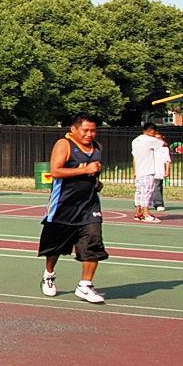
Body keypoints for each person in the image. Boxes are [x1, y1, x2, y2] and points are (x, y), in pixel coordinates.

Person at [40, 114, 108, 303]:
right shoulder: (64, 144)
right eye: (85, 130)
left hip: (89, 205)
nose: (89, 134)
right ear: (74, 129)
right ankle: (49, 275)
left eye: (93, 130)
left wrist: (96, 182)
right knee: (55, 247)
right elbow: (55, 171)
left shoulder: (97, 147)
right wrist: (84, 170)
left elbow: (93, 172)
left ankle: (85, 285)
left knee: (93, 242)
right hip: (63, 205)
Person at [130, 121, 167, 223]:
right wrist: (157, 137)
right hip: (147, 170)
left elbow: (134, 156)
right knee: (147, 191)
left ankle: (138, 212)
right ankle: (146, 213)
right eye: (154, 132)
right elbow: (164, 144)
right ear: (151, 131)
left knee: (139, 191)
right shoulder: (149, 139)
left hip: (139, 170)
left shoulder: (135, 140)